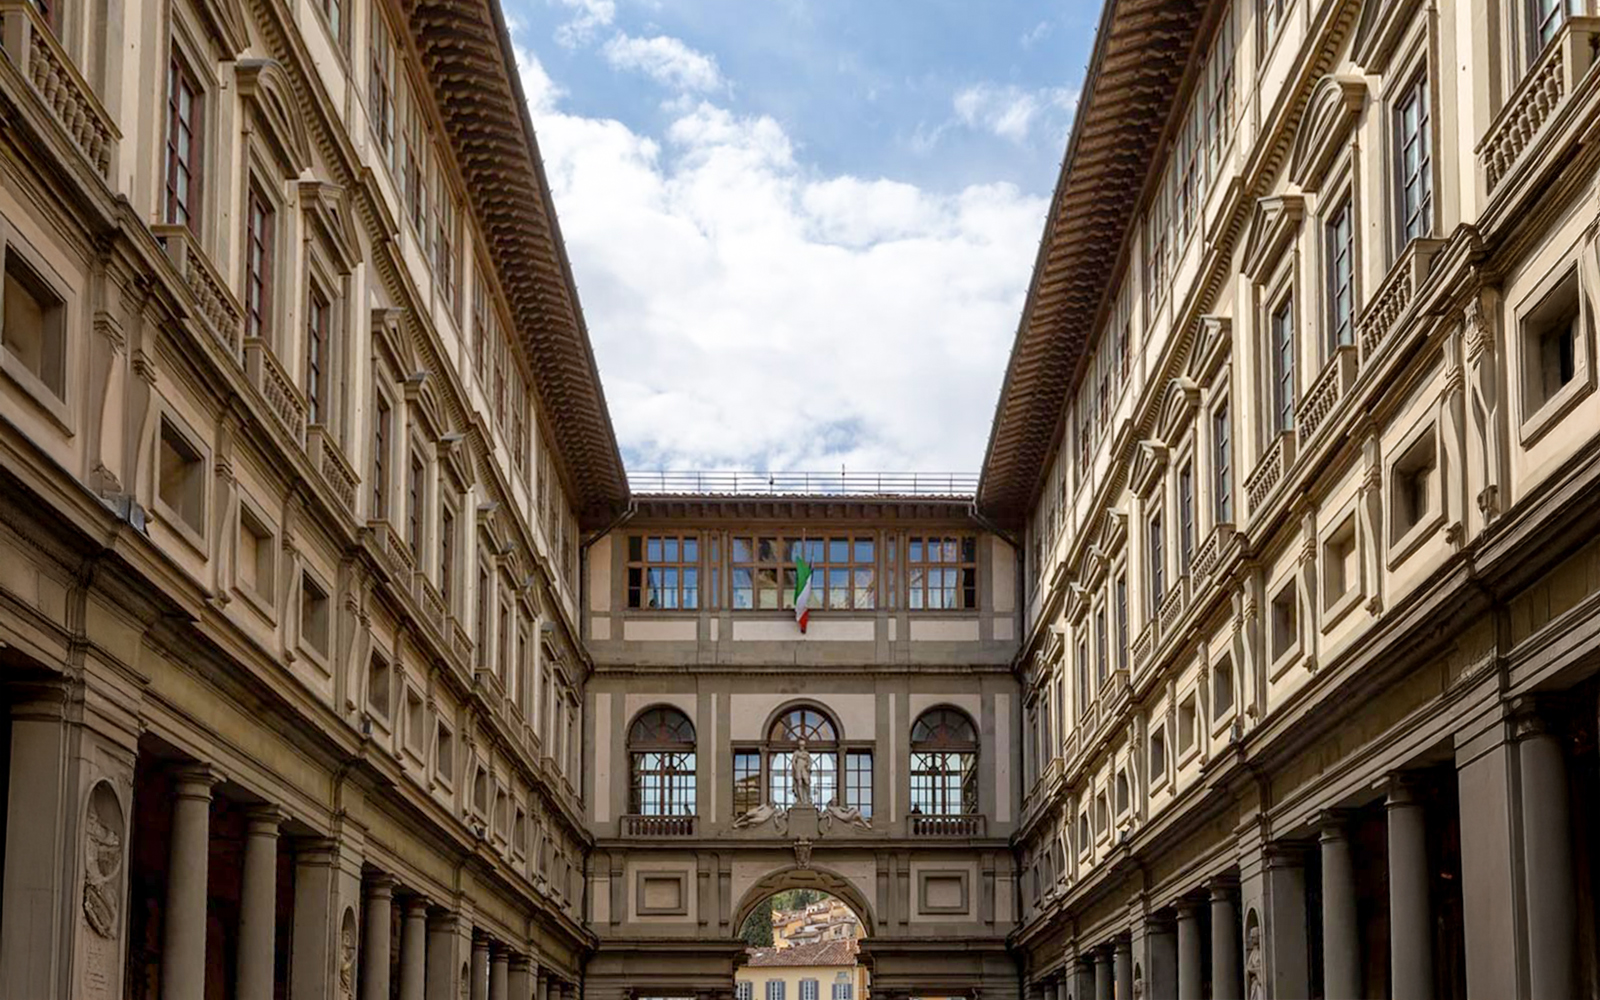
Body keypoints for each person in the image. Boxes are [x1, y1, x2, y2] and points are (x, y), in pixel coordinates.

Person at [792, 738, 813, 806]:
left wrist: (809, 766)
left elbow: (810, 761)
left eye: (803, 745)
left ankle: (807, 798)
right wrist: (795, 769)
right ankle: (800, 799)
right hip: (798, 769)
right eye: (800, 745)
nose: (801, 747)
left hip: (804, 769)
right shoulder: (796, 753)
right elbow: (793, 762)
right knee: (799, 783)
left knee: (807, 782)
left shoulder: (806, 753)